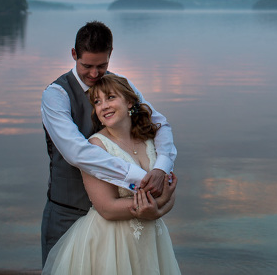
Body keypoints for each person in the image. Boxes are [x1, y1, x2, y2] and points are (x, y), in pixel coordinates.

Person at [41, 21, 177, 266]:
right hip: (68, 211)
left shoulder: (122, 88)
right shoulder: (57, 95)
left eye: (101, 65)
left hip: (126, 224)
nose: (94, 74)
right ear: (74, 55)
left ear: (110, 55)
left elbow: (157, 124)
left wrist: (161, 168)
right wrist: (140, 178)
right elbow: (76, 151)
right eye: (87, 66)